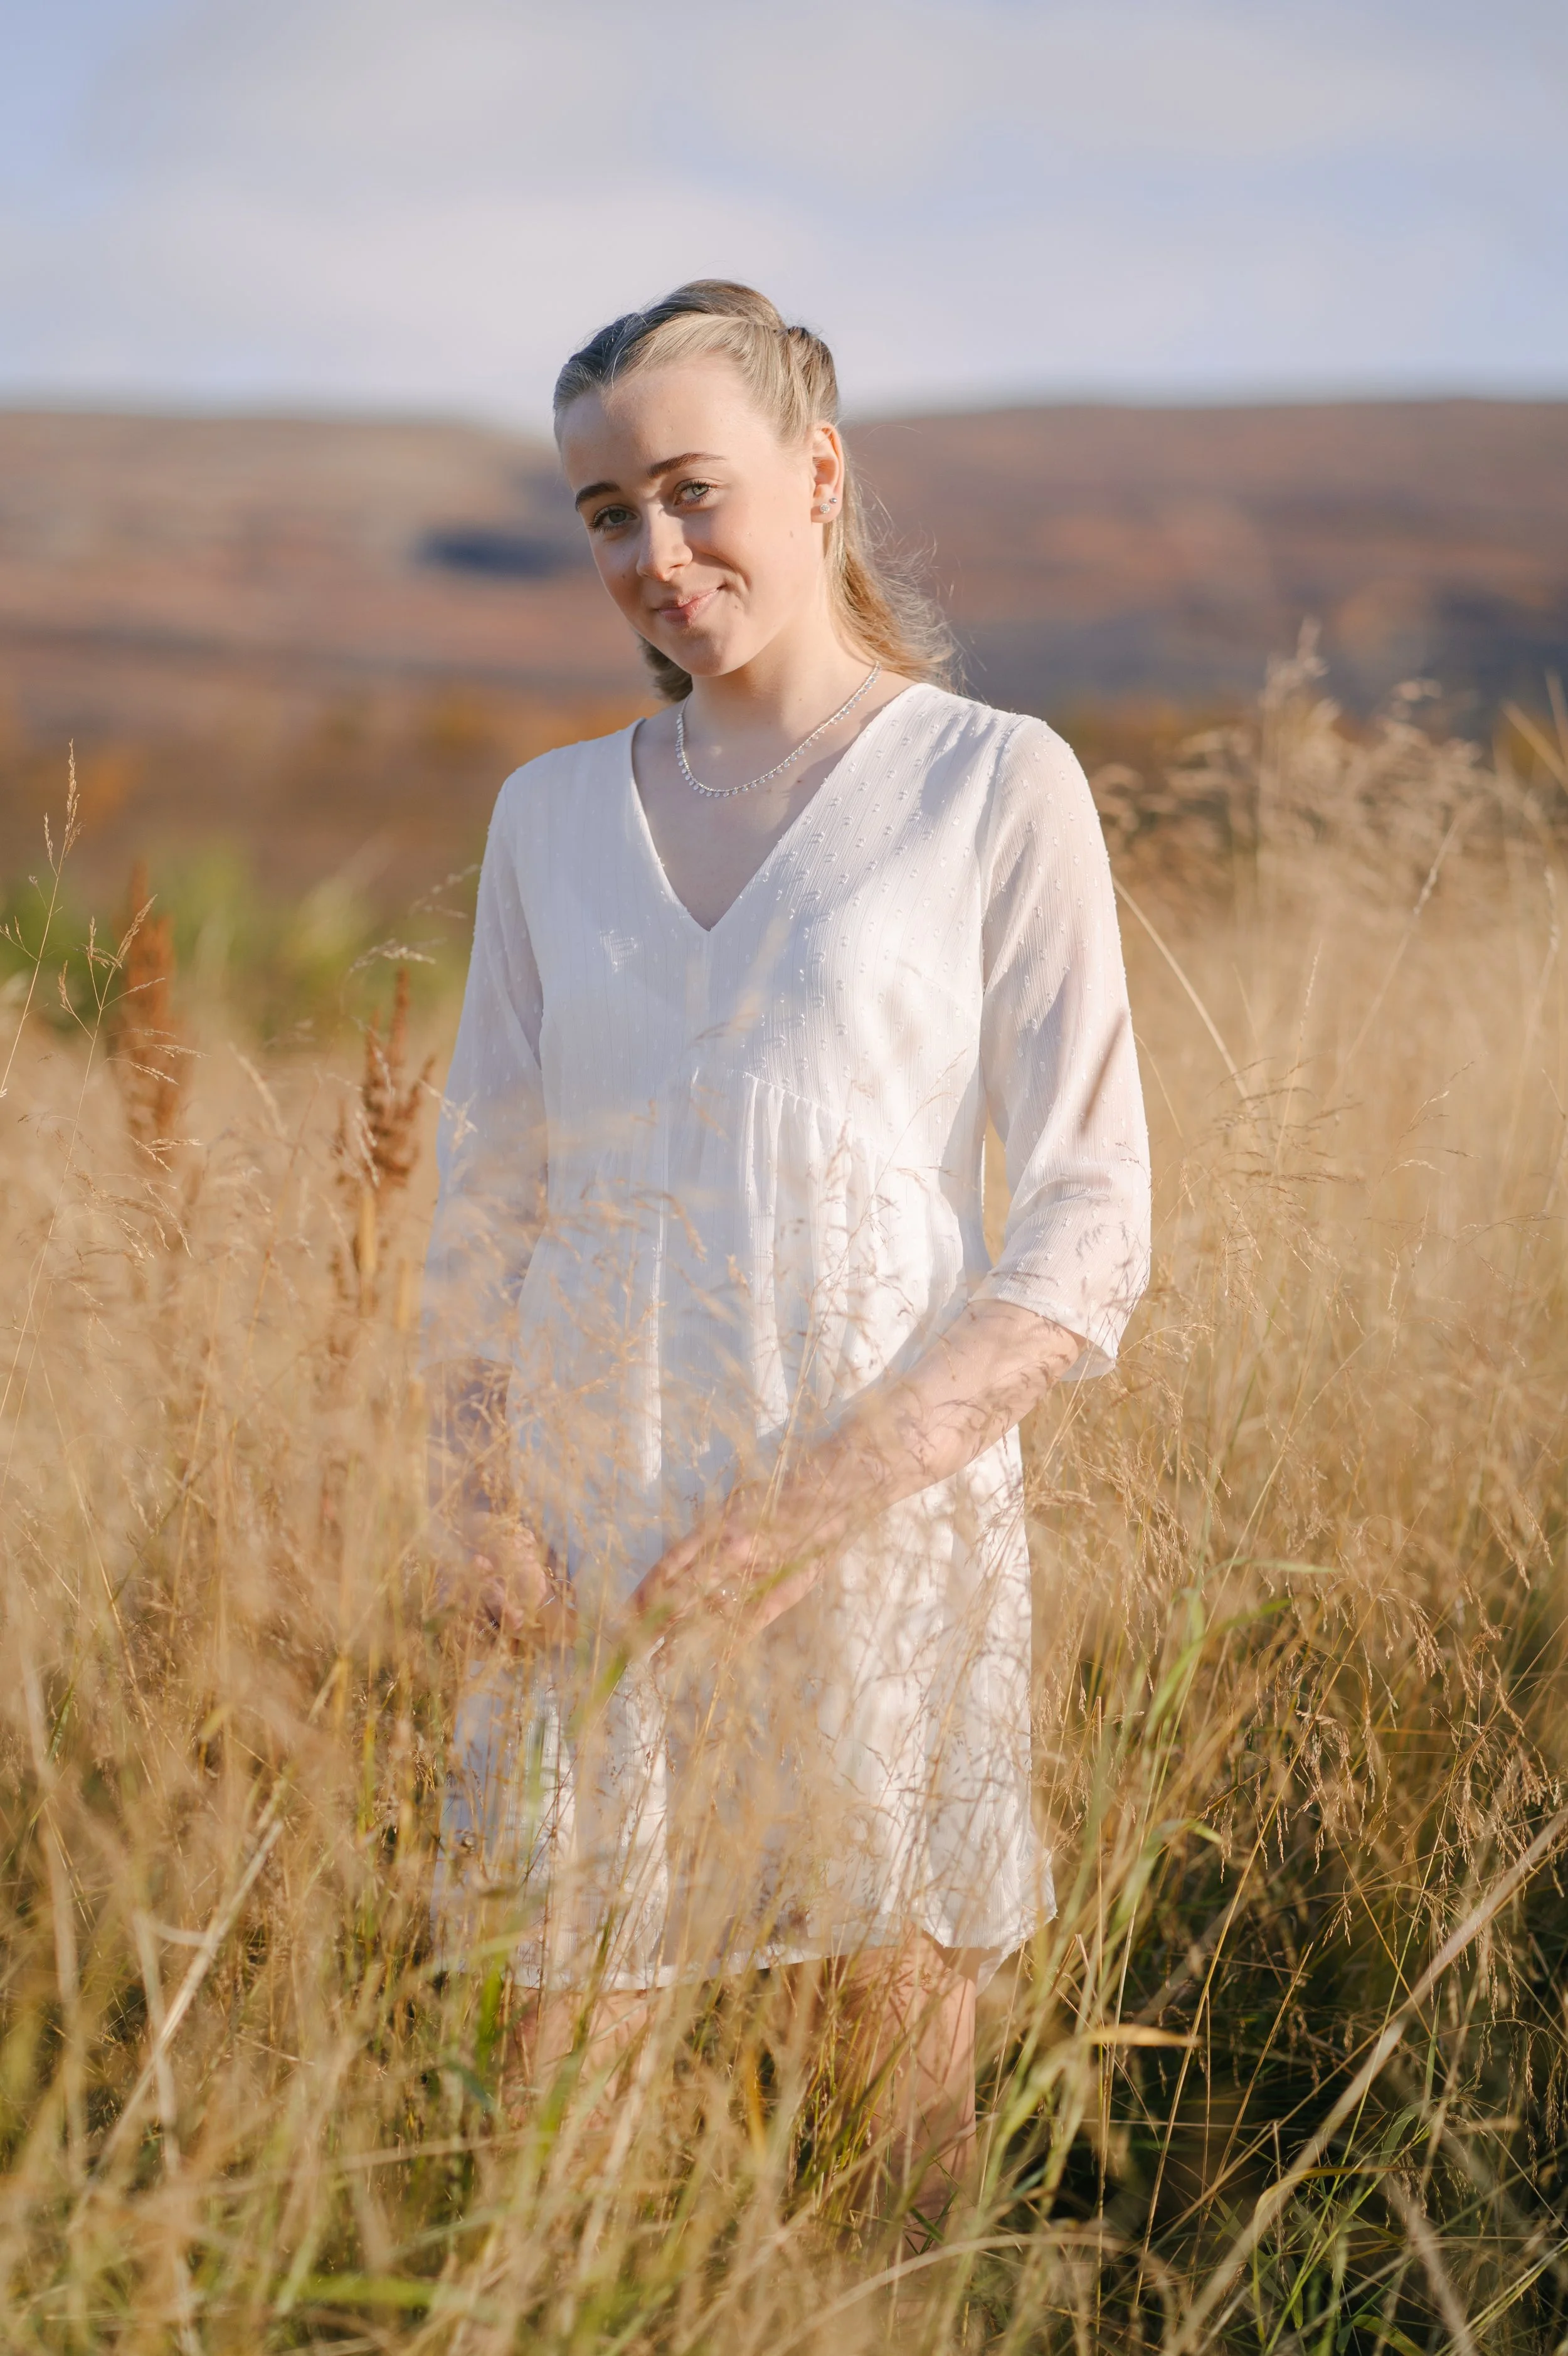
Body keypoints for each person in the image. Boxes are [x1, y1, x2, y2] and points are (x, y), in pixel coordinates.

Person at [422, 279, 1150, 2233]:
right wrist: (475, 1496)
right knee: (546, 2150)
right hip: (580, 1540)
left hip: (869, 1534)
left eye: (691, 492)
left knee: (889, 2131)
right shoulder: (547, 818)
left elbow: (1087, 1225)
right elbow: (478, 1194)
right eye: (604, 516)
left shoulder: (992, 783)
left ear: (815, 477)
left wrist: (808, 1515)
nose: (653, 558)